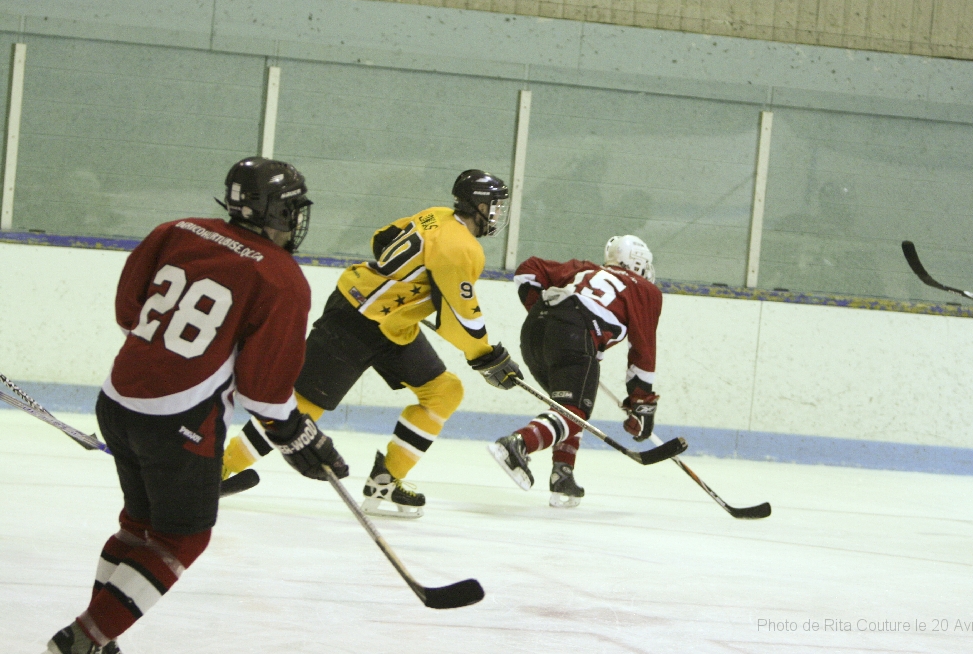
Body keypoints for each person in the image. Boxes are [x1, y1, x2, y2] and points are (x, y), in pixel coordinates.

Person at [43, 157, 349, 654]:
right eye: (292, 210)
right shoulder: (281, 278)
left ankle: (97, 638)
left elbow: (128, 313)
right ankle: (80, 641)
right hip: (179, 421)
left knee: (138, 525)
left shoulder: (176, 230)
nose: (296, 221)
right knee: (181, 539)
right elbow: (263, 392)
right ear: (277, 211)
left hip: (117, 400)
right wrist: (296, 433)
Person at [220, 169, 523, 518]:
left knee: (444, 392)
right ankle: (220, 468)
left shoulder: (435, 215)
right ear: (478, 206)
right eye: (494, 206)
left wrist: (407, 286)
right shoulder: (463, 248)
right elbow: (461, 318)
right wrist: (487, 357)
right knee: (303, 408)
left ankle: (385, 481)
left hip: (392, 325)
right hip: (355, 319)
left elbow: (382, 239)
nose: (497, 214)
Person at [489, 235, 662, 508]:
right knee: (574, 411)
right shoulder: (644, 288)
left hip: (535, 332)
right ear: (638, 263)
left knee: (569, 406)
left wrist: (547, 314)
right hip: (574, 332)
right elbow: (643, 349)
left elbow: (527, 270)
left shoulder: (584, 269)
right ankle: (518, 444)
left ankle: (563, 474)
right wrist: (642, 402)